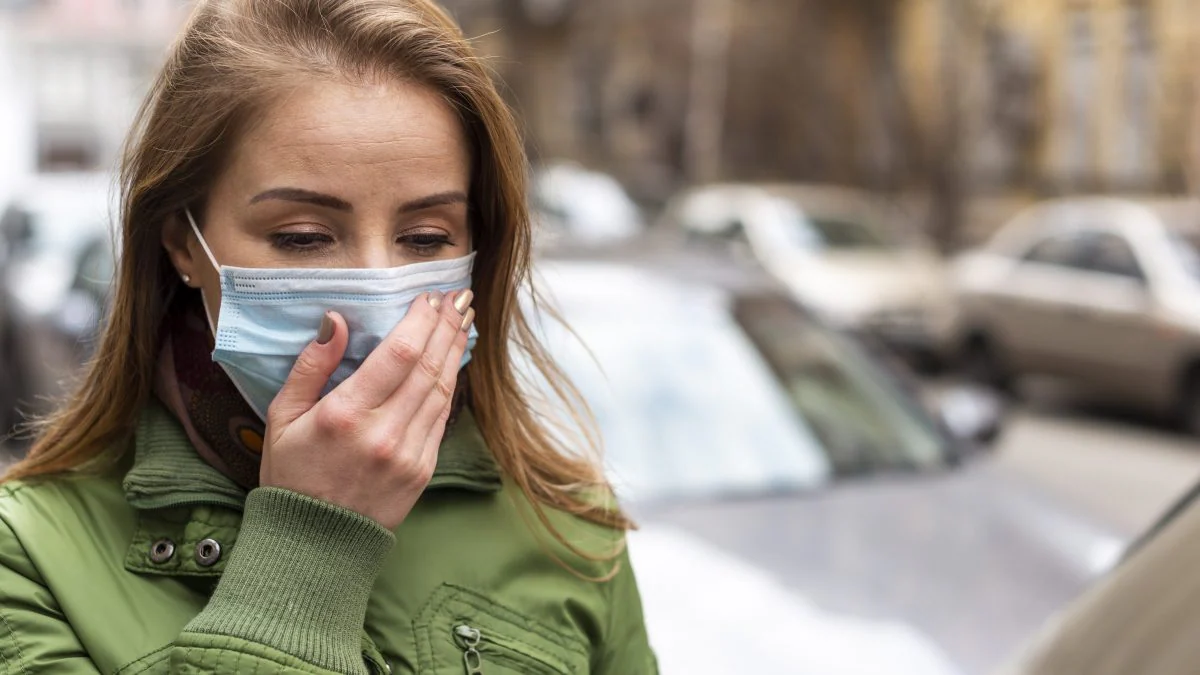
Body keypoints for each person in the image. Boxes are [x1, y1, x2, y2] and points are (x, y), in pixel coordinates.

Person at [0, 1, 656, 673]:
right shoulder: (28, 559)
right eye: (303, 237)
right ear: (182, 244)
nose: (375, 291)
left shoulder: (570, 531)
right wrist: (306, 550)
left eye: (426, 238)